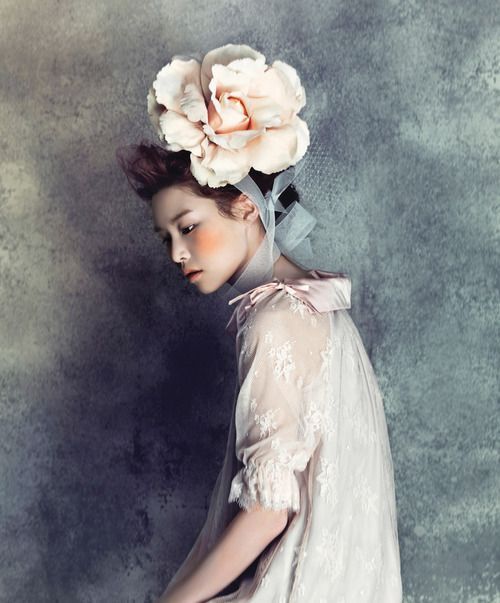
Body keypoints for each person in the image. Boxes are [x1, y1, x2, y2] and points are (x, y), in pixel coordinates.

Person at [117, 43, 403, 602]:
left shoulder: (275, 320)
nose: (177, 252)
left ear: (246, 205)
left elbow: (269, 512)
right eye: (165, 238)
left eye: (188, 225)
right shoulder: (316, 303)